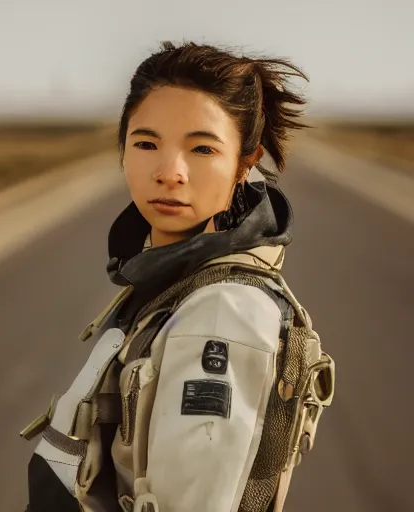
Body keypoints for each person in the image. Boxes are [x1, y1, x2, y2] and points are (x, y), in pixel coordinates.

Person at [21, 40, 335, 512]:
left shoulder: (221, 312)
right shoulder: (177, 288)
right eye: (146, 143)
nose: (170, 172)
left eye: (203, 148)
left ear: (243, 165)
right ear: (123, 150)